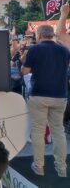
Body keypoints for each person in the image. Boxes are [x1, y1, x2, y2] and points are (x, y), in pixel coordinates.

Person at [21, 25, 69, 177]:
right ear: (52, 35)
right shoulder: (64, 50)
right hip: (60, 95)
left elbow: (25, 71)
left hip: (39, 94)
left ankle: (39, 165)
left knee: (38, 130)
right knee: (58, 131)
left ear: (39, 35)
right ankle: (62, 167)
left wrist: (25, 62)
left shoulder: (35, 49)